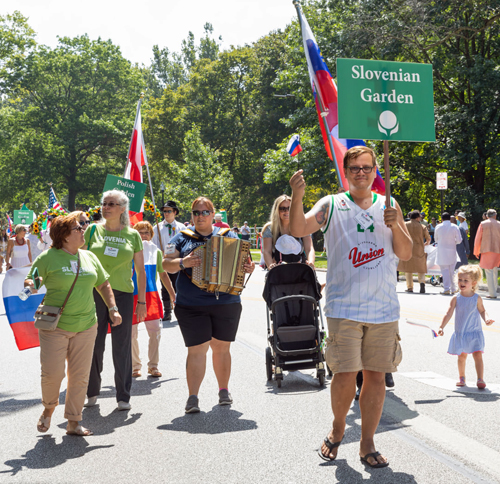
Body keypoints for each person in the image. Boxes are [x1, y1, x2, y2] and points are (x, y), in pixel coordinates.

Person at [289, 146, 412, 468]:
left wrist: (396, 223)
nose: (361, 172)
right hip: (344, 307)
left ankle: (367, 442)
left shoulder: (390, 205)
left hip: (384, 309)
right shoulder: (331, 205)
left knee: (375, 376)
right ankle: (338, 426)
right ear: (346, 171)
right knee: (344, 374)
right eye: (355, 167)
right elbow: (298, 229)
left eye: (367, 167)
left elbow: (407, 253)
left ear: (375, 172)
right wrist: (297, 194)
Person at [25, 211, 121, 436]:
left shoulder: (89, 257)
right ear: (65, 235)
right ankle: (49, 409)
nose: (83, 230)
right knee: (53, 374)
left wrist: (113, 308)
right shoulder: (48, 257)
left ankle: (73, 422)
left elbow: (104, 284)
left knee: (80, 375)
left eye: (82, 227)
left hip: (87, 325)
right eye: (78, 228)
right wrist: (30, 283)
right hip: (55, 327)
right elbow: (34, 280)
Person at [162, 197, 255, 413]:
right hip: (191, 304)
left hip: (226, 301)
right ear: (191, 215)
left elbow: (243, 261)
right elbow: (166, 264)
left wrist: (247, 267)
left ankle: (224, 390)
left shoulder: (229, 235)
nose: (200, 216)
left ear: (213, 214)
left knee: (222, 348)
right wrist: (183, 262)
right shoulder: (181, 238)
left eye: (205, 212)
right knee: (197, 349)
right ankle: (192, 397)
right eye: (196, 212)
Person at [84, 189, 147, 411]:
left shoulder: (133, 235)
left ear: (122, 209)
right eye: (104, 203)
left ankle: (123, 395)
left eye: (111, 204)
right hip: (95, 294)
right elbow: (79, 259)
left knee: (122, 346)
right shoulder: (92, 231)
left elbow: (140, 271)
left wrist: (142, 301)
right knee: (93, 343)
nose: (106, 207)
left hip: (123, 295)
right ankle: (91, 391)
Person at [438, 265, 494, 389]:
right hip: (461, 333)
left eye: (465, 280)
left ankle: (480, 378)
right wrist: (441, 327)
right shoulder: (456, 298)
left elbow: (483, 311)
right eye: (460, 280)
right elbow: (448, 313)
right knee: (462, 356)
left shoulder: (476, 298)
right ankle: (462, 377)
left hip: (474, 332)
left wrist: (487, 319)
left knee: (477, 355)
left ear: (473, 283)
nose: (462, 282)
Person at [131, 221, 176, 378]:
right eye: (140, 232)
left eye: (147, 232)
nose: (144, 235)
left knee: (155, 331)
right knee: (131, 333)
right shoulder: (128, 250)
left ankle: (153, 366)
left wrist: (172, 294)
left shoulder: (155, 251)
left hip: (150, 295)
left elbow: (163, 274)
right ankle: (135, 366)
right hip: (131, 294)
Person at [262, 195, 315, 269]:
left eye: (289, 208)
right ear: (277, 210)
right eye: (282, 209)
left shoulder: (302, 226)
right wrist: (270, 265)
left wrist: (311, 262)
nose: (287, 211)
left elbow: (309, 248)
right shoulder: (269, 228)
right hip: (278, 270)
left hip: (300, 269)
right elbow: (267, 251)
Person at [153, 200, 184, 321]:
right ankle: (167, 312)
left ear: (175, 212)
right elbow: (154, 244)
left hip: (178, 262)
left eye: (168, 211)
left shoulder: (182, 227)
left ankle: (180, 310)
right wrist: (160, 255)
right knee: (165, 287)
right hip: (164, 262)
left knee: (179, 286)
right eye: (164, 211)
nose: (166, 213)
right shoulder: (157, 228)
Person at [398, 210, 431, 293]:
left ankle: (410, 287)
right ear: (417, 218)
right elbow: (428, 239)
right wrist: (424, 244)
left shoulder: (405, 225)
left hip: (407, 248)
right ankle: (422, 283)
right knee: (421, 268)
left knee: (408, 268)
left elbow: (400, 236)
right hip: (419, 248)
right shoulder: (422, 226)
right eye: (420, 217)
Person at [474, 209, 500, 299]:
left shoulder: (483, 224)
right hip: (497, 250)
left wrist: (476, 251)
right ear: (495, 215)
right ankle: (494, 291)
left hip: (486, 250)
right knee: (495, 270)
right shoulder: (499, 224)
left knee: (489, 272)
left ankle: (492, 293)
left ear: (487, 216)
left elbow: (478, 239)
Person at [434, 212, 462, 295]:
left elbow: (436, 239)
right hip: (452, 251)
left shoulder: (438, 227)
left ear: (442, 219)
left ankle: (446, 288)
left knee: (444, 270)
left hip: (442, 251)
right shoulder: (455, 227)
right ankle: (453, 288)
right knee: (451, 271)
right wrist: (453, 243)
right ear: (450, 218)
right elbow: (459, 240)